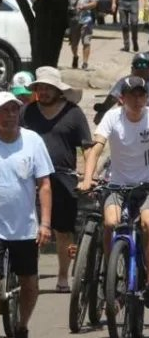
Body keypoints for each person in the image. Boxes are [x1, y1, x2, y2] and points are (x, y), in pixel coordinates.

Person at [78, 77, 149, 311]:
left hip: (148, 184)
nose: (137, 99)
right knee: (110, 223)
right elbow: (96, 148)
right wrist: (88, 179)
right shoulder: (112, 118)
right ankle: (113, 271)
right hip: (117, 184)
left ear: (147, 97)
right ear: (122, 98)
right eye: (132, 95)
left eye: (141, 95)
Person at [22, 68, 90, 293]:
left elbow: (87, 148)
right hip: (31, 177)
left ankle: (63, 276)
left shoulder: (74, 113)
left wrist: (88, 176)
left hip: (64, 178)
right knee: (32, 229)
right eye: (39, 88)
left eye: (47, 88)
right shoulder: (27, 112)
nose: (43, 92)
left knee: (64, 231)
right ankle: (29, 276)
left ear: (58, 90)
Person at [0, 92, 54, 338]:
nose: (10, 115)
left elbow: (44, 184)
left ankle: (22, 327)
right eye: (4, 110)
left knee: (30, 283)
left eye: (13, 110)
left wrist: (45, 223)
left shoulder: (32, 141)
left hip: (24, 228)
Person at [68, 0, 99, 70]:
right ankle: (75, 56)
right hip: (74, 20)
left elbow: (94, 3)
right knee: (73, 43)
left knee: (86, 42)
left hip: (86, 19)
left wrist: (84, 6)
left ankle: (85, 63)